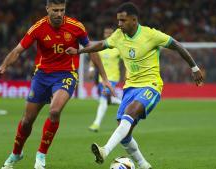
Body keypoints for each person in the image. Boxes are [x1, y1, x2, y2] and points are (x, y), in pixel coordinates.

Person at [66, 2, 204, 169]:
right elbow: (102, 44)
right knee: (124, 134)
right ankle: (144, 165)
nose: (119, 24)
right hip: (130, 87)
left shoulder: (151, 35)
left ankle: (105, 150)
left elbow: (177, 46)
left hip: (151, 86)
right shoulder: (118, 35)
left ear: (134, 20)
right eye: (118, 20)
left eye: (123, 20)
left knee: (130, 113)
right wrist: (79, 51)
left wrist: (194, 68)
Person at [0, 0, 114, 169]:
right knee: (27, 120)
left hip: (66, 74)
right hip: (42, 76)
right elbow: (18, 50)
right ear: (47, 9)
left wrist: (105, 79)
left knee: (55, 110)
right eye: (55, 10)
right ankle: (16, 153)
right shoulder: (38, 27)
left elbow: (92, 50)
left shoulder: (76, 26)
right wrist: (3, 65)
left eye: (62, 10)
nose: (58, 14)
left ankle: (41, 156)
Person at [88, 26, 124, 132]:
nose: (107, 35)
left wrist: (127, 72)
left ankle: (96, 124)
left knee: (103, 99)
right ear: (104, 34)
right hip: (101, 78)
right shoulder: (101, 46)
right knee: (108, 100)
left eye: (109, 33)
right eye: (106, 33)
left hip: (112, 78)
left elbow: (126, 60)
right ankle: (125, 103)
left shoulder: (118, 48)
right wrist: (90, 69)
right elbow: (93, 58)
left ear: (113, 34)